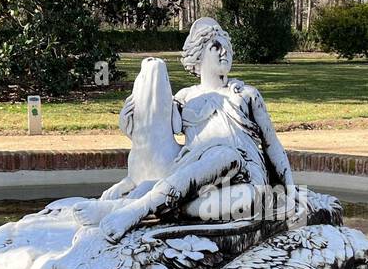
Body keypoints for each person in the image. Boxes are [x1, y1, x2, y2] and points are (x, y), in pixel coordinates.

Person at [91, 17, 296, 243]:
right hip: (198, 177)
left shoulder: (246, 94)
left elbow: (271, 144)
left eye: (226, 47)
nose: (224, 52)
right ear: (198, 56)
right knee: (222, 155)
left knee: (251, 198)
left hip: (243, 176)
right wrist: (128, 126)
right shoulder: (183, 98)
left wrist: (290, 189)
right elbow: (157, 144)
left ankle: (147, 204)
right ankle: (138, 208)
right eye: (215, 47)